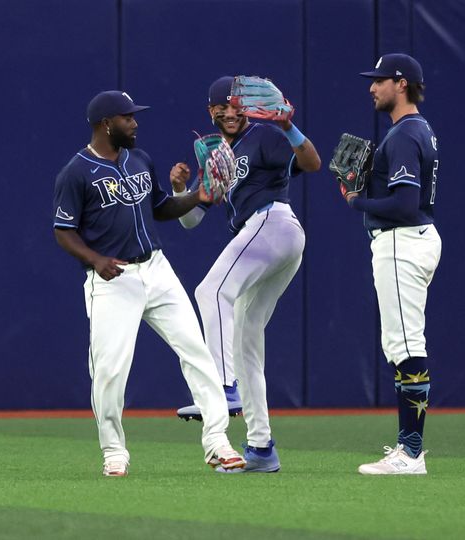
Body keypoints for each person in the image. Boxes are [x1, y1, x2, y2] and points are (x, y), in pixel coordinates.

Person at [52, 90, 245, 477]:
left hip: (157, 269)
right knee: (109, 370)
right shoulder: (76, 172)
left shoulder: (139, 158)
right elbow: (63, 231)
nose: (135, 123)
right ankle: (114, 451)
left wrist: (196, 196)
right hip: (112, 279)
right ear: (106, 123)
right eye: (128, 117)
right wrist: (95, 260)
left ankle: (217, 441)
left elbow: (158, 207)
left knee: (197, 351)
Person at [171, 76, 321, 472]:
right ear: (211, 112)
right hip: (270, 241)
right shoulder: (216, 154)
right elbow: (192, 220)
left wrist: (288, 126)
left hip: (273, 222)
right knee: (245, 339)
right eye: (222, 108)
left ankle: (223, 387)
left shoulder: (265, 136)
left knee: (210, 291)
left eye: (237, 107)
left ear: (248, 109)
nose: (230, 113)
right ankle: (261, 447)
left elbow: (312, 163)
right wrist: (182, 190)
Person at [341, 54, 441, 475]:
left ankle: (411, 452)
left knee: (405, 345)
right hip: (412, 240)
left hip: (402, 242)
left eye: (379, 80)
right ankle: (408, 447)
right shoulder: (420, 130)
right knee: (400, 343)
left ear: (401, 84)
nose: (372, 87)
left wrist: (357, 199)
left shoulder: (403, 135)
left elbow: (403, 204)